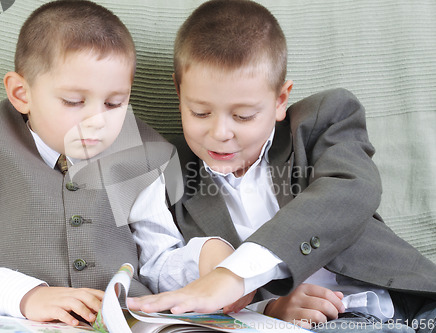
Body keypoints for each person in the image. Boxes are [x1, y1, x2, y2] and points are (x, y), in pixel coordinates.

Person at [127, 1, 436, 332]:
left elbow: (350, 190)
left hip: (405, 300)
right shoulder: (166, 174)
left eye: (244, 116)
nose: (219, 134)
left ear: (279, 100)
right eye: (201, 112)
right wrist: (268, 305)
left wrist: (236, 275)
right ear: (178, 91)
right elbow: (163, 269)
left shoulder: (321, 121)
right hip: (320, 324)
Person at [0, 0, 238, 327]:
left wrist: (204, 257)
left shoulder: (139, 158)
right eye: (74, 101)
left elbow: (156, 264)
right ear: (22, 93)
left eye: (114, 102)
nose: (98, 120)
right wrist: (26, 296)